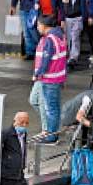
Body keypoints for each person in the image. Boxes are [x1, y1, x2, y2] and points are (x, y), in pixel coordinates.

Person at [31, 15, 68, 143]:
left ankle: (51, 134)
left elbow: (46, 61)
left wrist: (38, 74)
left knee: (51, 108)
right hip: (55, 78)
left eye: (38, 25)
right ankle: (50, 129)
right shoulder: (59, 37)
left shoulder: (50, 40)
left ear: (44, 26)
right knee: (48, 105)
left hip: (48, 79)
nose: (37, 27)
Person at [59, 0, 91, 68]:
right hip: (66, 17)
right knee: (66, 38)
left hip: (78, 17)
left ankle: (73, 57)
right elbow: (56, 1)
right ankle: (66, 55)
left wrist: (89, 15)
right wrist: (62, 1)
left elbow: (89, 1)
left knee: (75, 37)